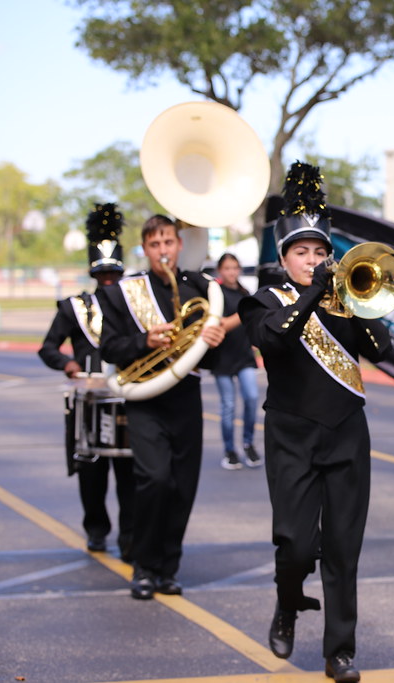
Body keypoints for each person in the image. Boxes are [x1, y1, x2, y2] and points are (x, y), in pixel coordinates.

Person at [239, 162, 390, 683]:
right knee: (297, 543)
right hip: (291, 435)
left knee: (344, 549)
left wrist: (357, 302)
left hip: (348, 433)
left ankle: (340, 653)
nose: (313, 260)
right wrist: (311, 294)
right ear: (283, 259)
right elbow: (275, 339)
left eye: (320, 251)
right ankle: (286, 602)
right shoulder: (262, 301)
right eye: (301, 252)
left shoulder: (346, 302)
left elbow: (383, 350)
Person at [96, 214, 228, 600]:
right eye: (155, 245)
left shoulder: (197, 290)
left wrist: (214, 342)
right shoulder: (123, 293)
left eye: (168, 242)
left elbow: (213, 362)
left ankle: (169, 568)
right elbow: (108, 349)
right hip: (146, 401)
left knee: (183, 486)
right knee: (154, 480)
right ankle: (143, 565)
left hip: (186, 398)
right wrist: (144, 341)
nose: (163, 251)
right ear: (145, 248)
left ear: (179, 244)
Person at [38, 202, 134, 560]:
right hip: (88, 400)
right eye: (103, 276)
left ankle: (130, 538)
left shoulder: (133, 305)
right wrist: (66, 364)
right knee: (91, 473)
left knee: (130, 473)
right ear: (95, 276)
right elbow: (47, 347)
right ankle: (96, 529)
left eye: (114, 275)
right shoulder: (72, 307)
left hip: (125, 395)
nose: (109, 281)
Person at [212, 252, 262, 470]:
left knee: (251, 398)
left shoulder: (245, 293)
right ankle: (230, 449)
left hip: (244, 356)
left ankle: (248, 443)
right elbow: (219, 324)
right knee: (228, 406)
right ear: (220, 271)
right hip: (222, 357)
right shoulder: (215, 293)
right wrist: (242, 315)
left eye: (235, 267)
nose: (232, 272)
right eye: (227, 268)